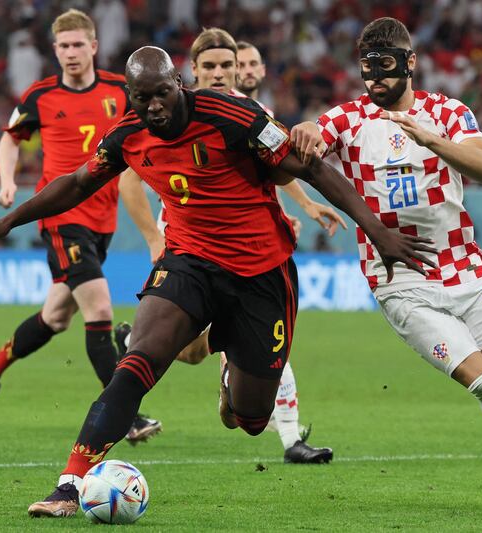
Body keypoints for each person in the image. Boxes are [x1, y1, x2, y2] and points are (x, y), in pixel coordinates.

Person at [0, 45, 433, 518]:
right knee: (138, 359)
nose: (154, 107)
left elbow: (310, 167)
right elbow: (77, 182)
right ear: (130, 96)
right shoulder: (128, 133)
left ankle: (230, 369)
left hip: (261, 272)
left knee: (250, 420)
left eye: (163, 94)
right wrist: (10, 222)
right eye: (142, 97)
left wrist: (377, 232)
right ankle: (69, 484)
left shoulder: (233, 116)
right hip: (189, 261)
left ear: (180, 83)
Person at [291, 18, 482, 517]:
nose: (374, 79)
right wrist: (306, 128)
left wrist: (432, 140)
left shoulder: (446, 112)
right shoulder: (348, 118)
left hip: (465, 269)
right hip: (400, 283)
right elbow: (309, 142)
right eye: (366, 69)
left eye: (386, 67)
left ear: (410, 63)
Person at [116, 29, 340, 464]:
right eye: (210, 66)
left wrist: (305, 206)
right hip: (189, 241)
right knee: (209, 347)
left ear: (239, 68)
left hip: (244, 241)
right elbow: (129, 179)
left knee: (205, 350)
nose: (218, 73)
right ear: (192, 71)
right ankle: (289, 438)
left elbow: (275, 169)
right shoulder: (167, 113)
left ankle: (137, 345)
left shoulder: (252, 111)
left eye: (226, 65)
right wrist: (153, 238)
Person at [0, 9, 161, 444]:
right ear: (54, 51)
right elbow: (10, 138)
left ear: (94, 46)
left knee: (56, 316)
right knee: (100, 311)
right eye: (63, 46)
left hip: (102, 220)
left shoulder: (119, 89)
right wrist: (6, 183)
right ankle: (124, 415)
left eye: (78, 44)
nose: (71, 53)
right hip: (61, 217)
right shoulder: (39, 96)